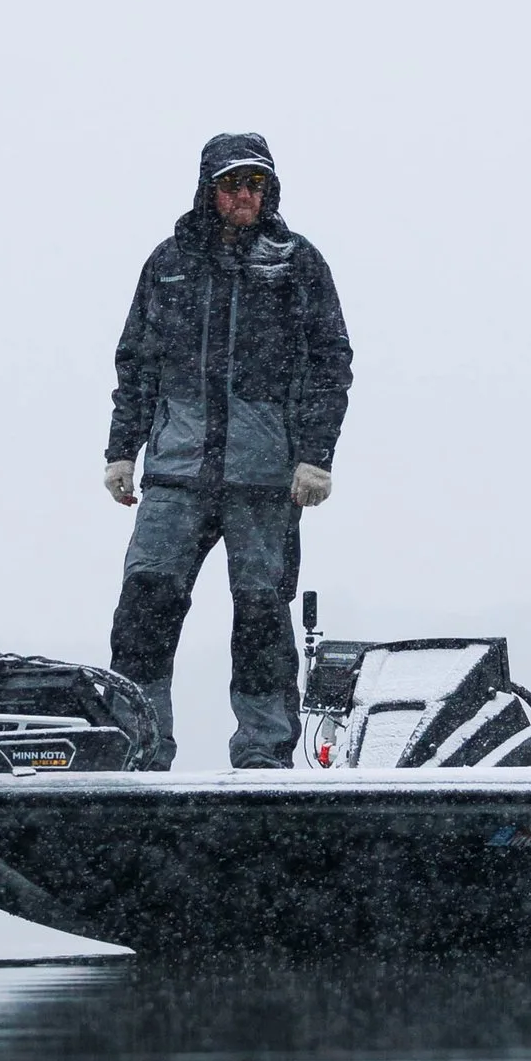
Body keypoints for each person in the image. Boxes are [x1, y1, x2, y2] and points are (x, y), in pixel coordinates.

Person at [104, 133, 353, 768]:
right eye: (232, 184)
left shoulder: (298, 264)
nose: (244, 195)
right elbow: (136, 361)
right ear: (208, 190)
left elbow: (331, 363)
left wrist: (316, 456)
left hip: (265, 478)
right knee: (144, 608)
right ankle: (142, 750)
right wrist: (122, 450)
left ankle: (264, 756)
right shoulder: (169, 263)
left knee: (263, 616)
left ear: (268, 192)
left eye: (255, 185)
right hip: (175, 474)